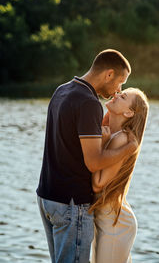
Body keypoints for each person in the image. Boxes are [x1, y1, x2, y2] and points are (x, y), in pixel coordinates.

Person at [36, 49, 136, 263]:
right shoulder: (89, 103)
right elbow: (94, 163)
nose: (118, 90)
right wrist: (127, 150)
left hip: (47, 197)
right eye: (120, 82)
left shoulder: (62, 90)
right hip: (71, 204)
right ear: (108, 74)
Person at [90, 88, 149, 263]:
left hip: (115, 224)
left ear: (129, 112)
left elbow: (98, 184)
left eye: (122, 97)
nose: (116, 95)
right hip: (107, 219)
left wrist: (101, 144)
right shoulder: (113, 132)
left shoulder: (121, 139)